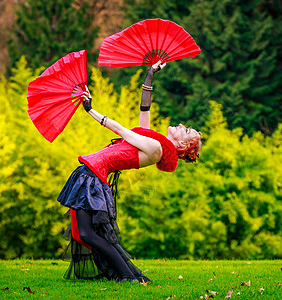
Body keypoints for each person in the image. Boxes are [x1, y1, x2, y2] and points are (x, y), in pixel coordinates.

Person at [58, 61, 202, 283]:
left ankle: (127, 275)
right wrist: (150, 74)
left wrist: (90, 111)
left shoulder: (155, 149)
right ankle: (119, 272)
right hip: (89, 173)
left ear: (182, 146)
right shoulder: (153, 141)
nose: (182, 125)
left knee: (87, 233)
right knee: (79, 234)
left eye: (186, 130)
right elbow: (145, 109)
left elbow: (121, 130)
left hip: (93, 178)